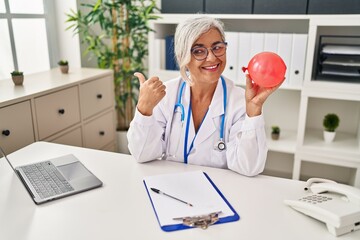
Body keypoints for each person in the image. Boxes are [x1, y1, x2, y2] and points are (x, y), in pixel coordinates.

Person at [127, 16, 283, 176]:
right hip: (173, 187)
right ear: (183, 58)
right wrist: (144, 110)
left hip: (220, 192)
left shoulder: (240, 100)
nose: (212, 57)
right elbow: (142, 155)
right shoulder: (166, 94)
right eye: (198, 51)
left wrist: (254, 112)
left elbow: (249, 168)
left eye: (217, 47)